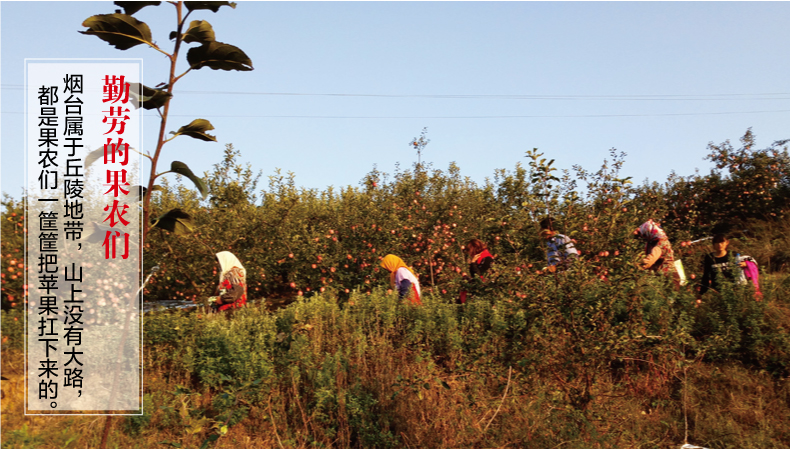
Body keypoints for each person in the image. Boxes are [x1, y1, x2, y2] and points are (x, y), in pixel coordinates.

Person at [635, 219, 680, 285]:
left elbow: (651, 259)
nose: (644, 238)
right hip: (665, 277)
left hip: (670, 278)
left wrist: (636, 267)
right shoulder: (656, 241)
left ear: (649, 233)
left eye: (645, 235)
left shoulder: (661, 243)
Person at [459, 239, 494, 304]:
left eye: (469, 250)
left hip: (484, 289)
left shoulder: (487, 259)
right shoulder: (480, 259)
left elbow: (478, 276)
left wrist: (473, 263)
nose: (469, 253)